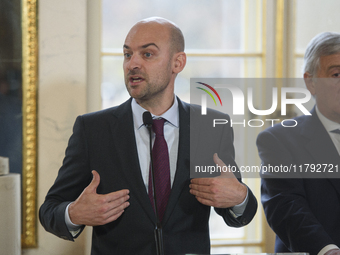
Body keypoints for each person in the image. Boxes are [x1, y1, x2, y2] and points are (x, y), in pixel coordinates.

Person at [39, 17, 257, 254]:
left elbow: (239, 213)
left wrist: (240, 197)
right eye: (127, 54)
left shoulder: (211, 126)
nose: (132, 64)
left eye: (147, 54)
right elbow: (50, 209)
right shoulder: (93, 129)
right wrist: (73, 213)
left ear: (178, 62)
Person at [257, 31, 340, 255]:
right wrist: (327, 250)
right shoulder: (278, 140)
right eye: (336, 74)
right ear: (311, 82)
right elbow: (286, 207)